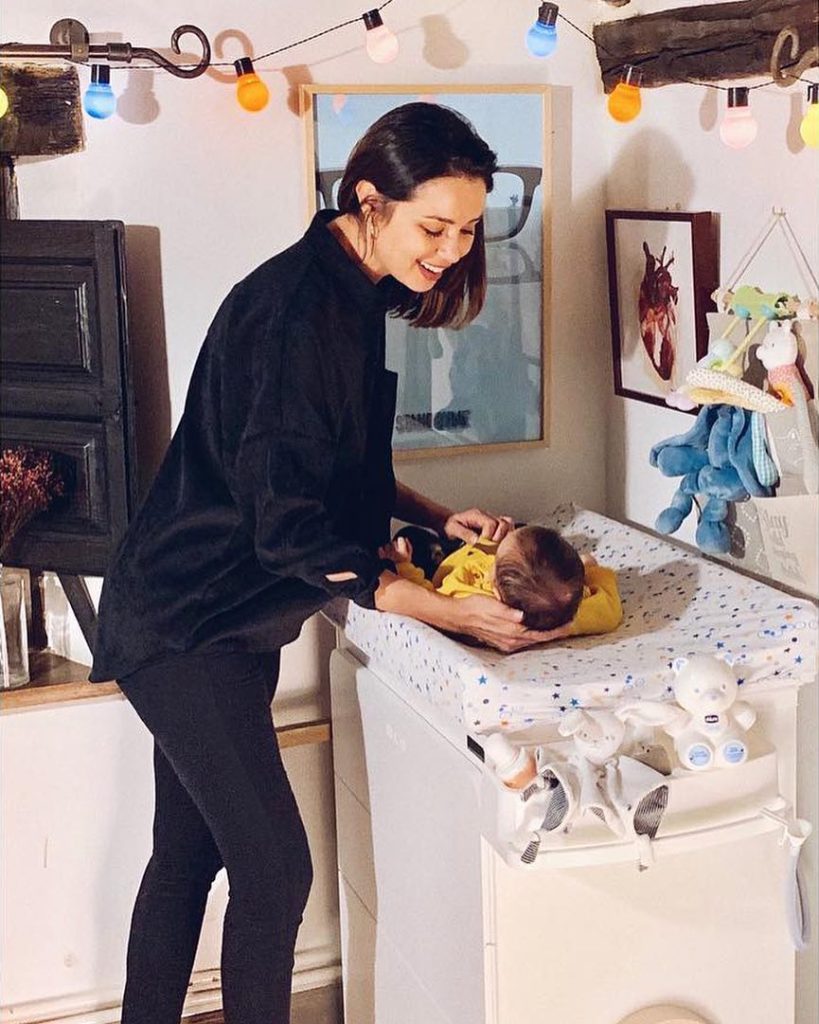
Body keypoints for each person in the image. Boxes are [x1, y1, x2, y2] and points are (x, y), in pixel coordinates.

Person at [88, 102, 559, 1024]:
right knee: (275, 870)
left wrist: (436, 517)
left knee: (188, 854)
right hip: (187, 621)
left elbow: (337, 466)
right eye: (434, 227)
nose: (453, 250)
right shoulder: (295, 314)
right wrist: (445, 609)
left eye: (469, 229)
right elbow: (287, 530)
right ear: (368, 200)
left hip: (229, 618)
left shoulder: (353, 292)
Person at [382, 524, 623, 637]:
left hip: (447, 562)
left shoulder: (469, 599)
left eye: (496, 560)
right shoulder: (569, 608)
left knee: (410, 536)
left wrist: (404, 565)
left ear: (495, 590)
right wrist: (589, 571)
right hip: (482, 552)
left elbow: (428, 595)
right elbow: (610, 608)